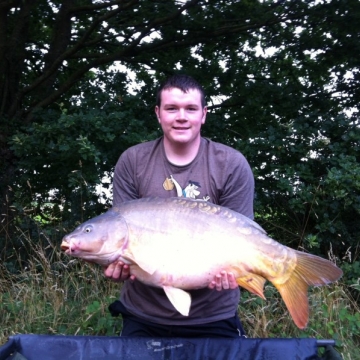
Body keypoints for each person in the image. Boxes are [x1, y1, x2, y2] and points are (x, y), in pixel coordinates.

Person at [104, 74, 255, 338]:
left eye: (191, 109)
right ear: (158, 113)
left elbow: (244, 235)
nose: (181, 116)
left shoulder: (230, 163)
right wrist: (118, 262)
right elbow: (121, 230)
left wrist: (238, 272)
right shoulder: (132, 161)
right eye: (172, 108)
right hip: (143, 314)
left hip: (214, 314)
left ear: (204, 114)